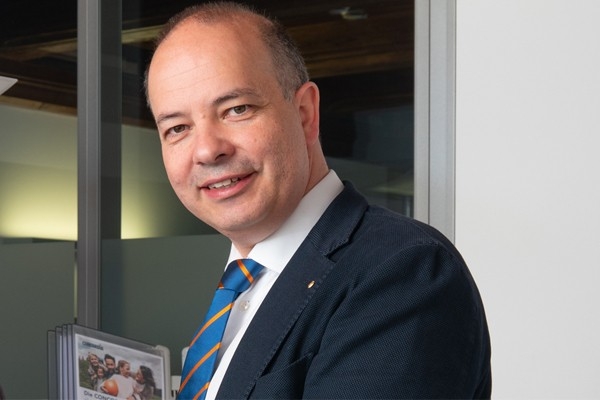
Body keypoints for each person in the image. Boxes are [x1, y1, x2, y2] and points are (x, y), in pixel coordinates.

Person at [145, 1, 491, 399]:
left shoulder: (403, 272)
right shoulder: (241, 291)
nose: (207, 150)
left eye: (237, 109)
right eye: (177, 128)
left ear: (306, 113)